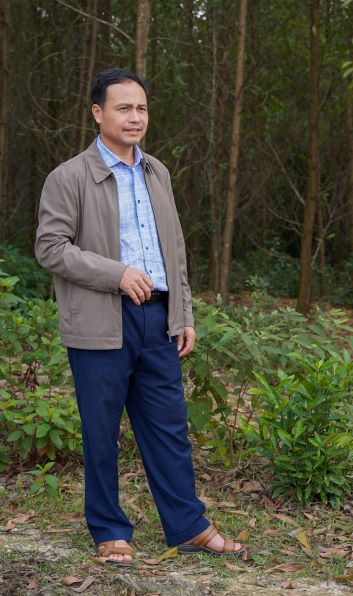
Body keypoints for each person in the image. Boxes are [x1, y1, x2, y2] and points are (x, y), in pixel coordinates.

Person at [35, 68, 244, 564]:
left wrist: (184, 311)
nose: (135, 117)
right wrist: (117, 274)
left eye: (142, 108)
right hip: (100, 322)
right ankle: (109, 530)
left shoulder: (157, 172)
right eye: (124, 108)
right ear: (97, 113)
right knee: (102, 433)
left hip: (158, 320)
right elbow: (50, 248)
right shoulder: (69, 177)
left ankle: (188, 526)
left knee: (169, 430)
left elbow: (174, 247)